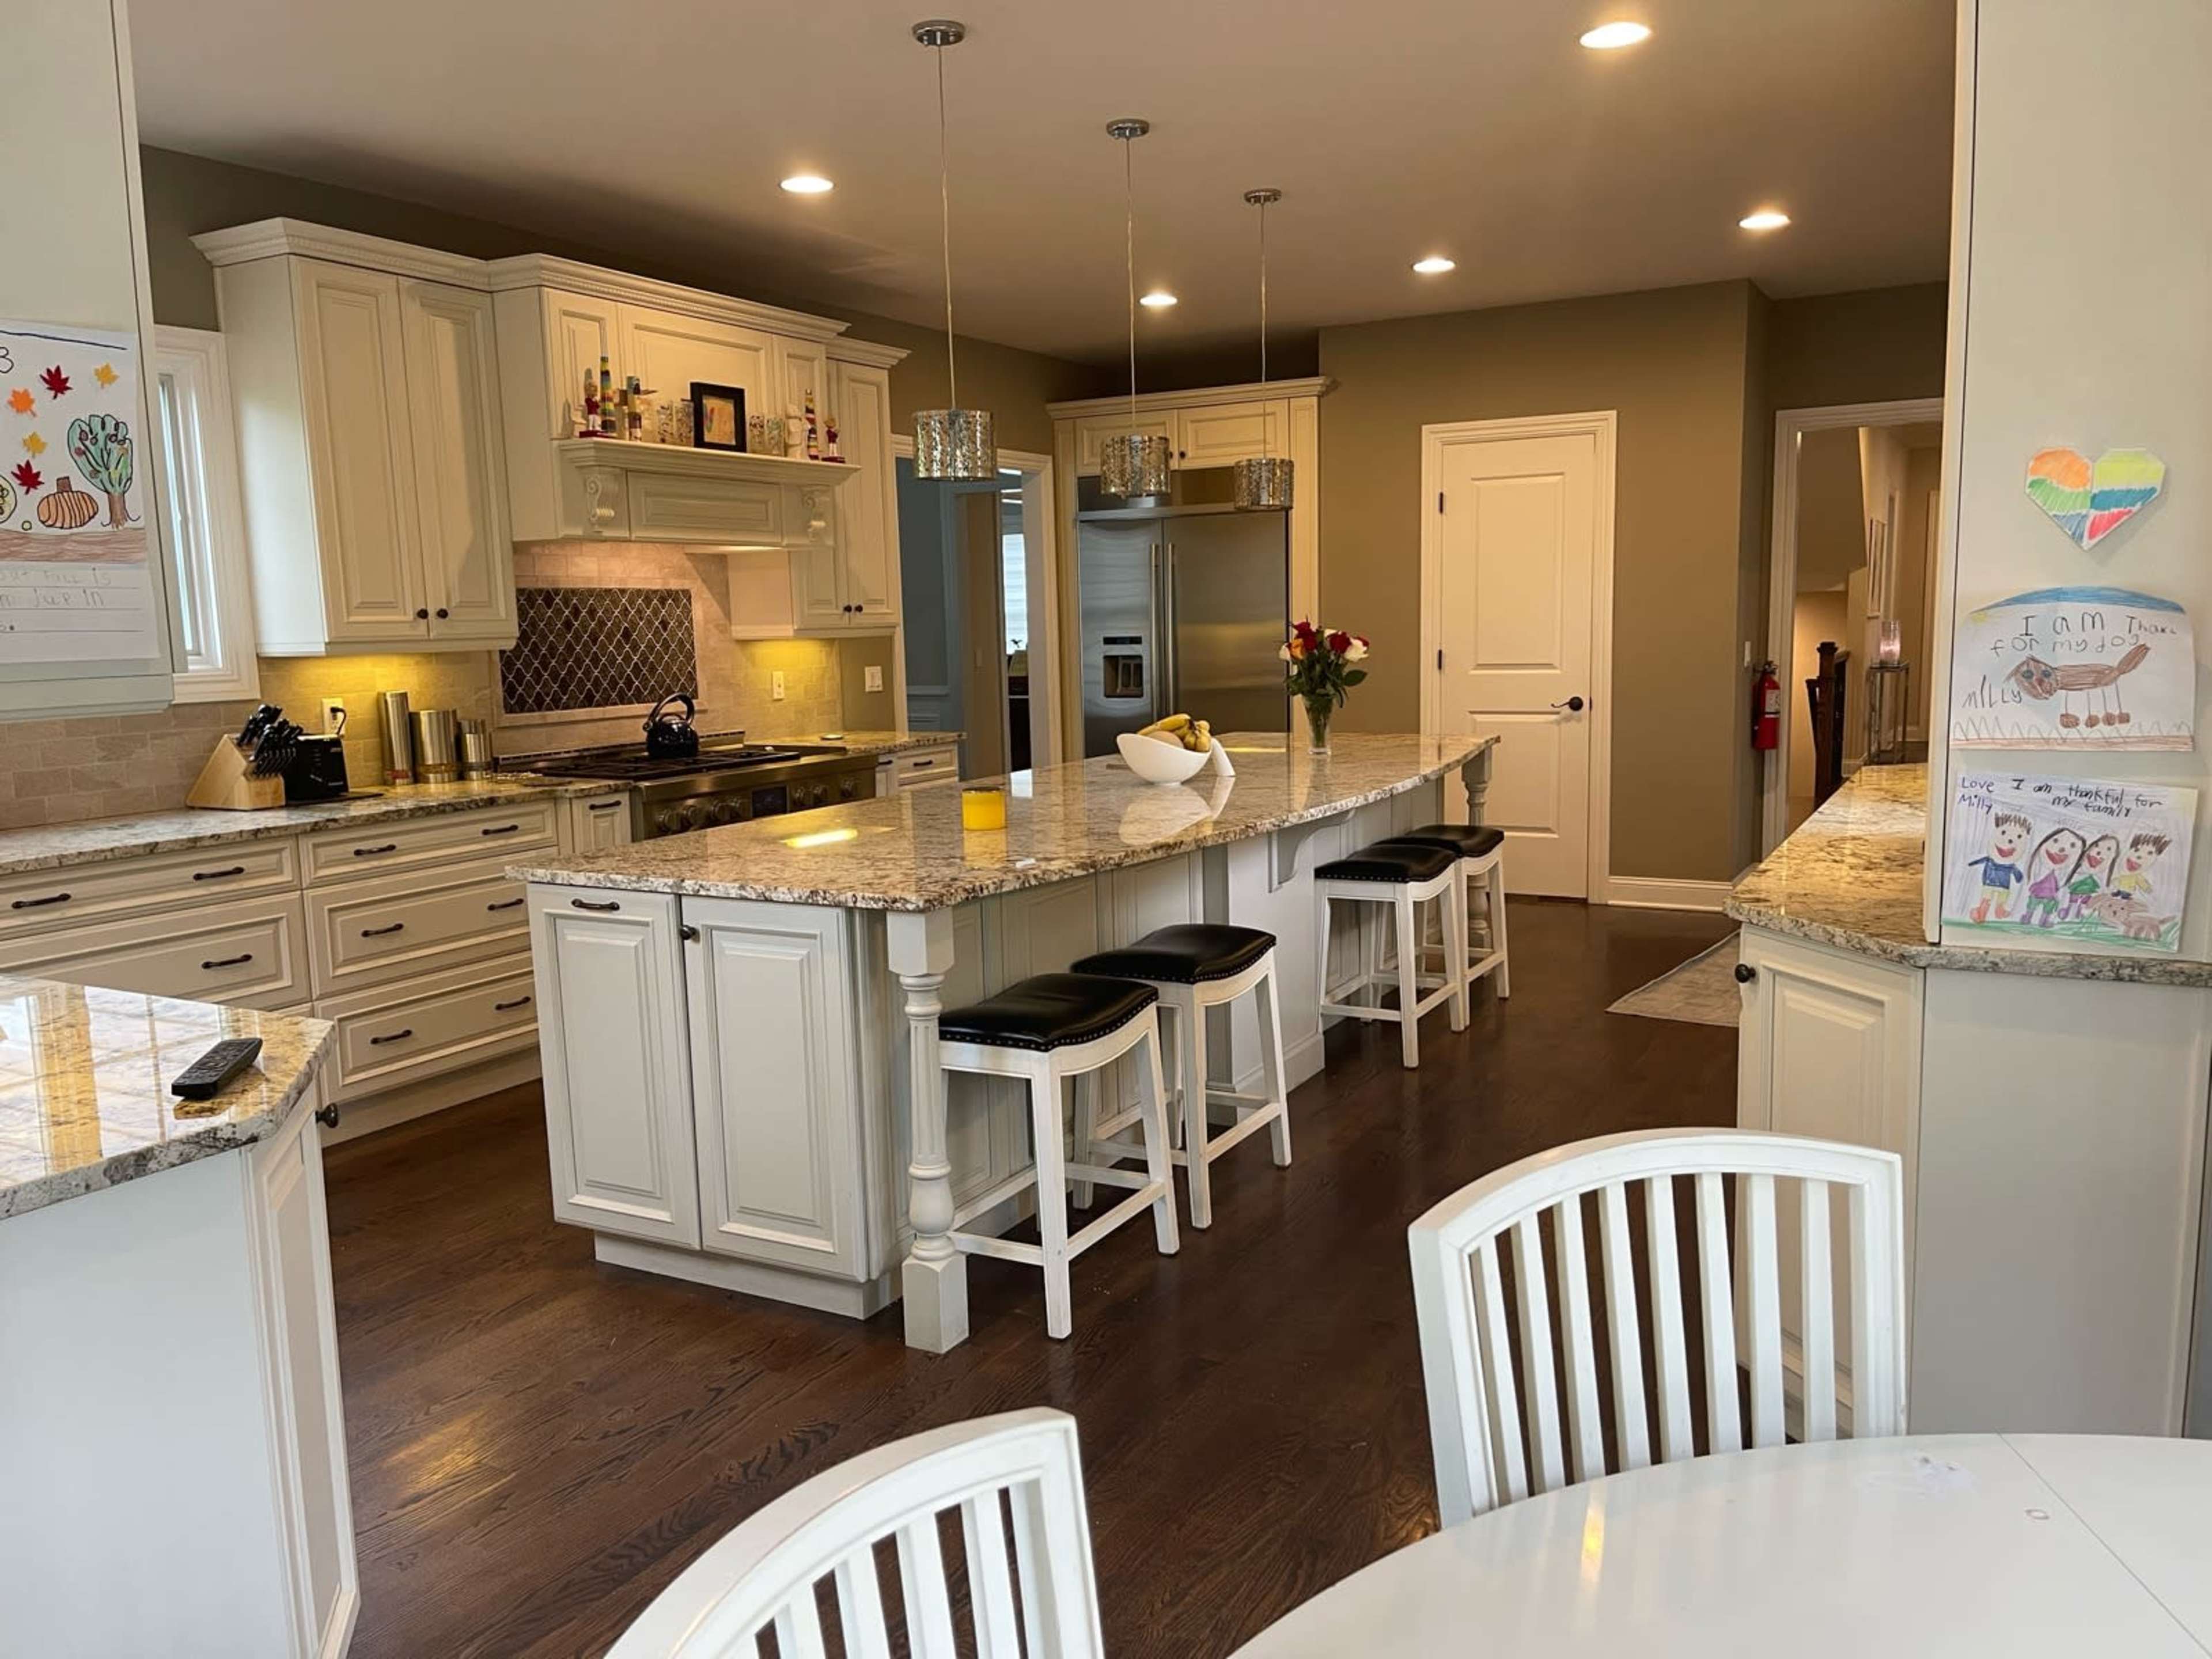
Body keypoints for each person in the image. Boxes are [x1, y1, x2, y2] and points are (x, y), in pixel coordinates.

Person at [1965, 811, 2030, 923]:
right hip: (1994, 884)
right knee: (1988, 901)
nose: (2010, 841)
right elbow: (2017, 875)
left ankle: (1996, 913)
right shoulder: (1993, 860)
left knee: (1993, 901)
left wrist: (2019, 877)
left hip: (1997, 885)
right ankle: (1984, 915)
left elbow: (2017, 874)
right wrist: (1970, 864)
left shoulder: (2009, 865)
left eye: (2019, 836)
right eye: (2004, 833)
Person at [2020, 827, 2085, 929]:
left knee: (2048, 908)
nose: (2062, 849)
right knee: (2033, 906)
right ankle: (2028, 918)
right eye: (2056, 841)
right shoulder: (2038, 865)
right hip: (2038, 892)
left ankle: (2043, 921)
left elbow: (2063, 886)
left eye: (2072, 846)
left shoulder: (2064, 873)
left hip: (2050, 895)